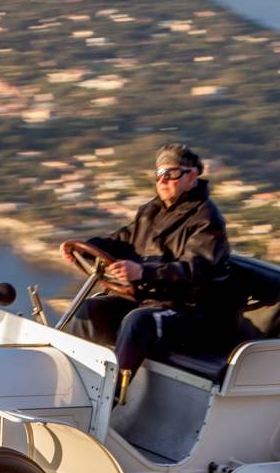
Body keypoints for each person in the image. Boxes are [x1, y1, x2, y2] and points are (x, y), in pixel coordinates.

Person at [62, 142, 233, 403]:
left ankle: (108, 400)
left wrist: (142, 272)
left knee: (138, 322)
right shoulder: (150, 211)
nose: (163, 179)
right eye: (160, 173)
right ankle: (65, 381)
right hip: (145, 298)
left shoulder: (207, 220)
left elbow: (193, 270)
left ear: (191, 176)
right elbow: (120, 241)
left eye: (172, 173)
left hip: (189, 309)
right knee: (88, 311)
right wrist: (86, 248)